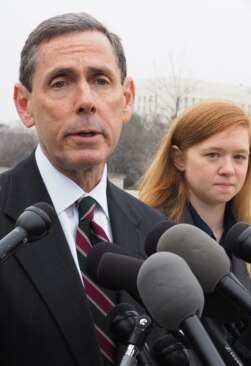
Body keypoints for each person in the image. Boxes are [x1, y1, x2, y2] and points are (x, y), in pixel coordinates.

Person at [0, 13, 167, 365]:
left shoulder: (157, 234)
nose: (86, 101)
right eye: (61, 82)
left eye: (101, 80)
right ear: (24, 104)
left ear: (127, 98)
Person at [138, 99, 251, 305]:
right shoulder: (146, 226)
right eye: (213, 155)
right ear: (178, 158)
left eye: (239, 157)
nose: (228, 169)